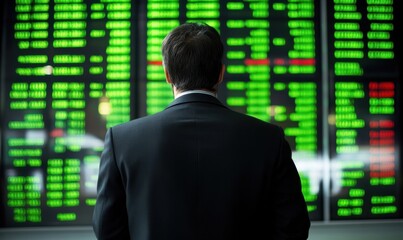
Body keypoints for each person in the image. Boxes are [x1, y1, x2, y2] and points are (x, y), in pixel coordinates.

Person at [93, 22, 310, 240]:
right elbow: (293, 229)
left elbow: (106, 230)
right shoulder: (268, 140)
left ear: (168, 75)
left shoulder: (121, 141)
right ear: (220, 74)